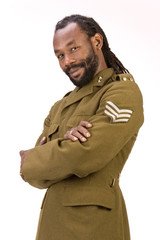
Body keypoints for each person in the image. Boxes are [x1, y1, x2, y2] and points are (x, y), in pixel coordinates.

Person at [20, 14, 144, 240]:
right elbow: (31, 173)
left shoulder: (122, 93)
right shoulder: (60, 106)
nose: (67, 61)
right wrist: (63, 144)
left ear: (97, 42)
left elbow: (86, 154)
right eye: (59, 55)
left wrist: (42, 155)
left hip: (92, 227)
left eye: (73, 48)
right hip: (50, 226)